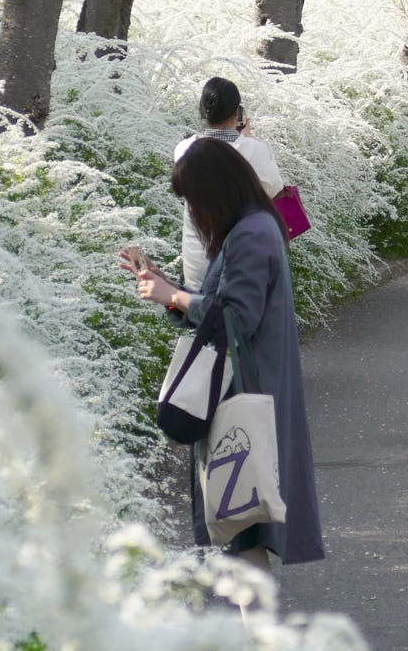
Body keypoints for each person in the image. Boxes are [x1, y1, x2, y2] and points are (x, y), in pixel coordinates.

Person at [119, 137, 323, 569]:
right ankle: (255, 613)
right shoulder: (254, 226)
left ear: (215, 191)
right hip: (252, 382)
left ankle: (256, 615)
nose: (193, 212)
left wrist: (174, 297)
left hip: (247, 387)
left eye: (194, 200)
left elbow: (236, 317)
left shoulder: (250, 234)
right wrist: (169, 288)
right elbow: (223, 305)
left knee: (240, 522)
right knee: (240, 525)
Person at [174, 76, 286, 290]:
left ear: (202, 111)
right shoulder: (257, 150)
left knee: (200, 309)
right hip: (242, 261)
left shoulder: (184, 150)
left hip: (197, 262)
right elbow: (274, 191)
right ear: (238, 112)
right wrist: (248, 140)